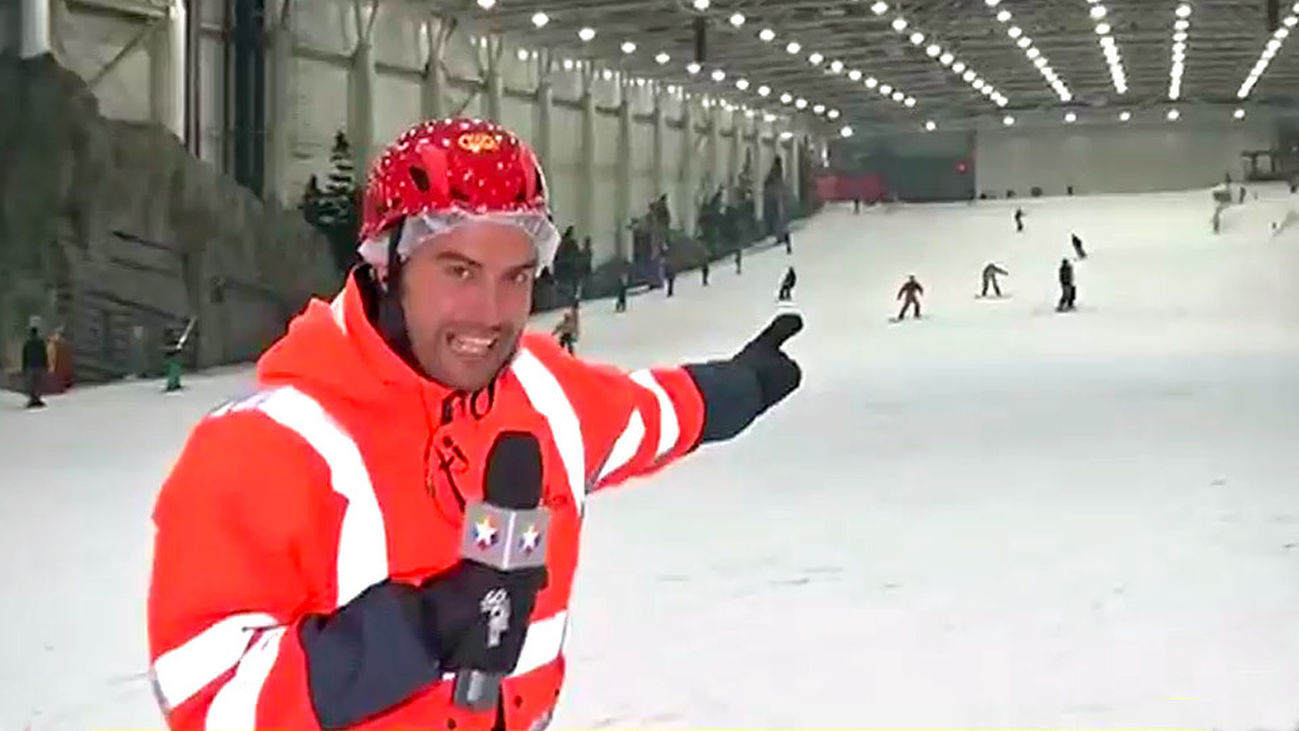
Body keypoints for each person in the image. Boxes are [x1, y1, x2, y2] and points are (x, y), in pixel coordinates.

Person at [146, 118, 803, 731]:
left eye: (514, 277)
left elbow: (648, 414)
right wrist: (420, 627)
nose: (489, 314)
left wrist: (742, 383)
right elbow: (209, 699)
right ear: (385, 262)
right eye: (458, 271)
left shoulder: (541, 390)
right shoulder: (269, 448)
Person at [21, 326, 48, 408]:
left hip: (30, 366)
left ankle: (33, 399)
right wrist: (45, 365)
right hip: (39, 366)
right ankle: (37, 399)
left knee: (31, 384)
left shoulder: (27, 343)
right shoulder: (41, 342)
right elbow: (44, 354)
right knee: (38, 383)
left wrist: (24, 367)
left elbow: (24, 356)